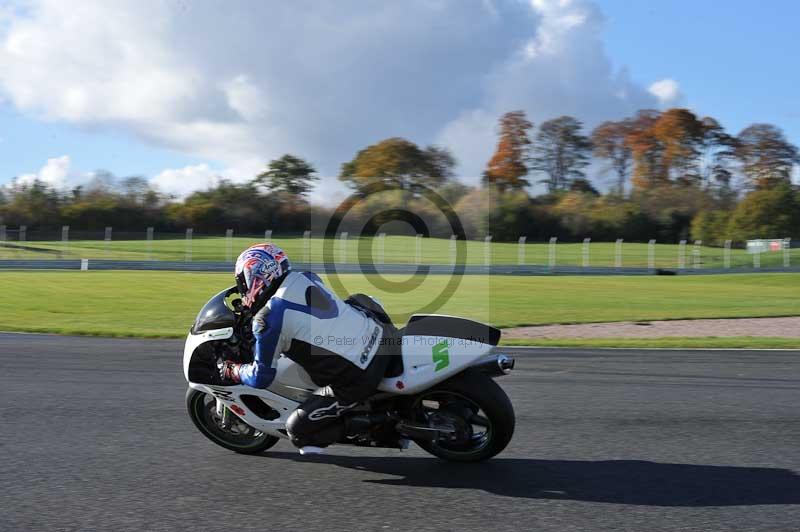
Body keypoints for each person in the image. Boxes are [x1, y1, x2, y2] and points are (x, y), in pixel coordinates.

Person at [218, 243, 398, 454]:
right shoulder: (305, 276)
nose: (243, 289)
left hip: (358, 375)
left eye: (243, 282)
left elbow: (261, 378)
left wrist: (233, 370)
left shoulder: (267, 319)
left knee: (297, 431)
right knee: (357, 300)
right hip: (381, 334)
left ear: (255, 277)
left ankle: (382, 424)